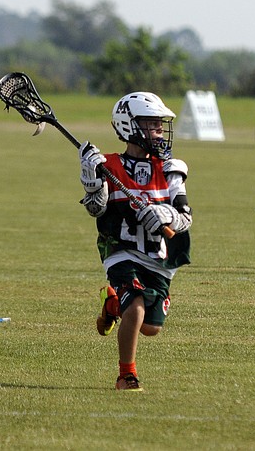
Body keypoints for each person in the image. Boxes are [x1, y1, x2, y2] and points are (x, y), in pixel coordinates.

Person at [78, 92, 192, 391]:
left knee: (150, 327)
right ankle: (126, 376)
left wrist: (165, 214)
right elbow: (96, 210)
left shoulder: (171, 169)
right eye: (151, 124)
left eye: (160, 124)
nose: (159, 131)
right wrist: (92, 181)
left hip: (158, 256)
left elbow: (185, 218)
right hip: (120, 250)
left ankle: (112, 305)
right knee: (137, 307)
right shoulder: (108, 166)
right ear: (129, 126)